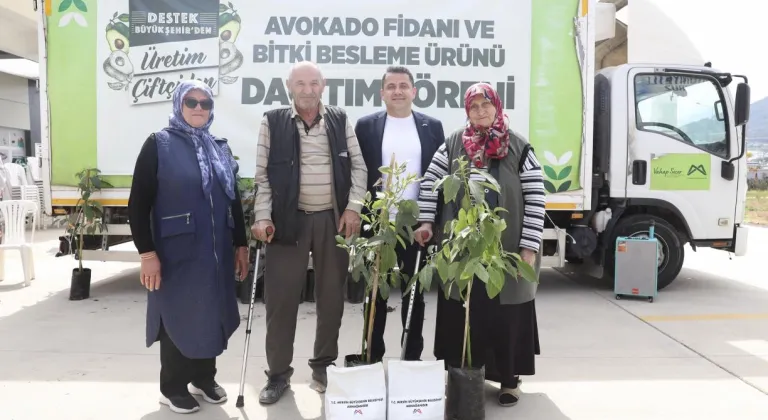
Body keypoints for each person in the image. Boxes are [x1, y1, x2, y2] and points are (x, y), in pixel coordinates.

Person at [414, 82, 546, 407]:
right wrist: (427, 222)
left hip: (509, 247)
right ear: (467, 111)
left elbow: (536, 196)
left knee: (507, 311)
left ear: (497, 107)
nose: (481, 111)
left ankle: (509, 380)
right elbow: (432, 183)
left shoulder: (518, 147)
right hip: (463, 246)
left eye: (486, 105)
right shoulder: (453, 144)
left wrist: (529, 246)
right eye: (474, 107)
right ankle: (462, 374)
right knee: (463, 308)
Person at [128, 80, 249, 414]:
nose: (199, 108)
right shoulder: (158, 145)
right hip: (175, 251)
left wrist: (241, 244)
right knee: (178, 314)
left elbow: (233, 200)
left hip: (216, 249)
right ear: (179, 104)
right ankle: (173, 386)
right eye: (191, 102)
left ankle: (202, 378)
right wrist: (147, 254)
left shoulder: (219, 147)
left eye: (205, 103)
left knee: (210, 310)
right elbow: (137, 204)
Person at [251, 61, 368, 404]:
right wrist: (262, 216)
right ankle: (277, 375)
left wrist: (354, 206)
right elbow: (262, 177)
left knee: (331, 299)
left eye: (312, 83)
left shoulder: (339, 118)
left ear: (323, 85)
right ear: (289, 86)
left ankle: (322, 367)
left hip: (333, 222)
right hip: (288, 221)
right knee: (281, 301)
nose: (307, 89)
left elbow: (358, 166)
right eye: (299, 83)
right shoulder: (272, 121)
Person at [354, 66, 445, 362]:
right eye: (391, 86)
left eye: (403, 85)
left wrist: (429, 219)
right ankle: (371, 357)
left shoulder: (432, 126)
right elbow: (357, 172)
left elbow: (436, 177)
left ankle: (411, 360)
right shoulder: (366, 126)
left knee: (414, 297)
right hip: (376, 224)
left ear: (414, 92)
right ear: (382, 93)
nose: (397, 91)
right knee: (374, 296)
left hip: (415, 226)